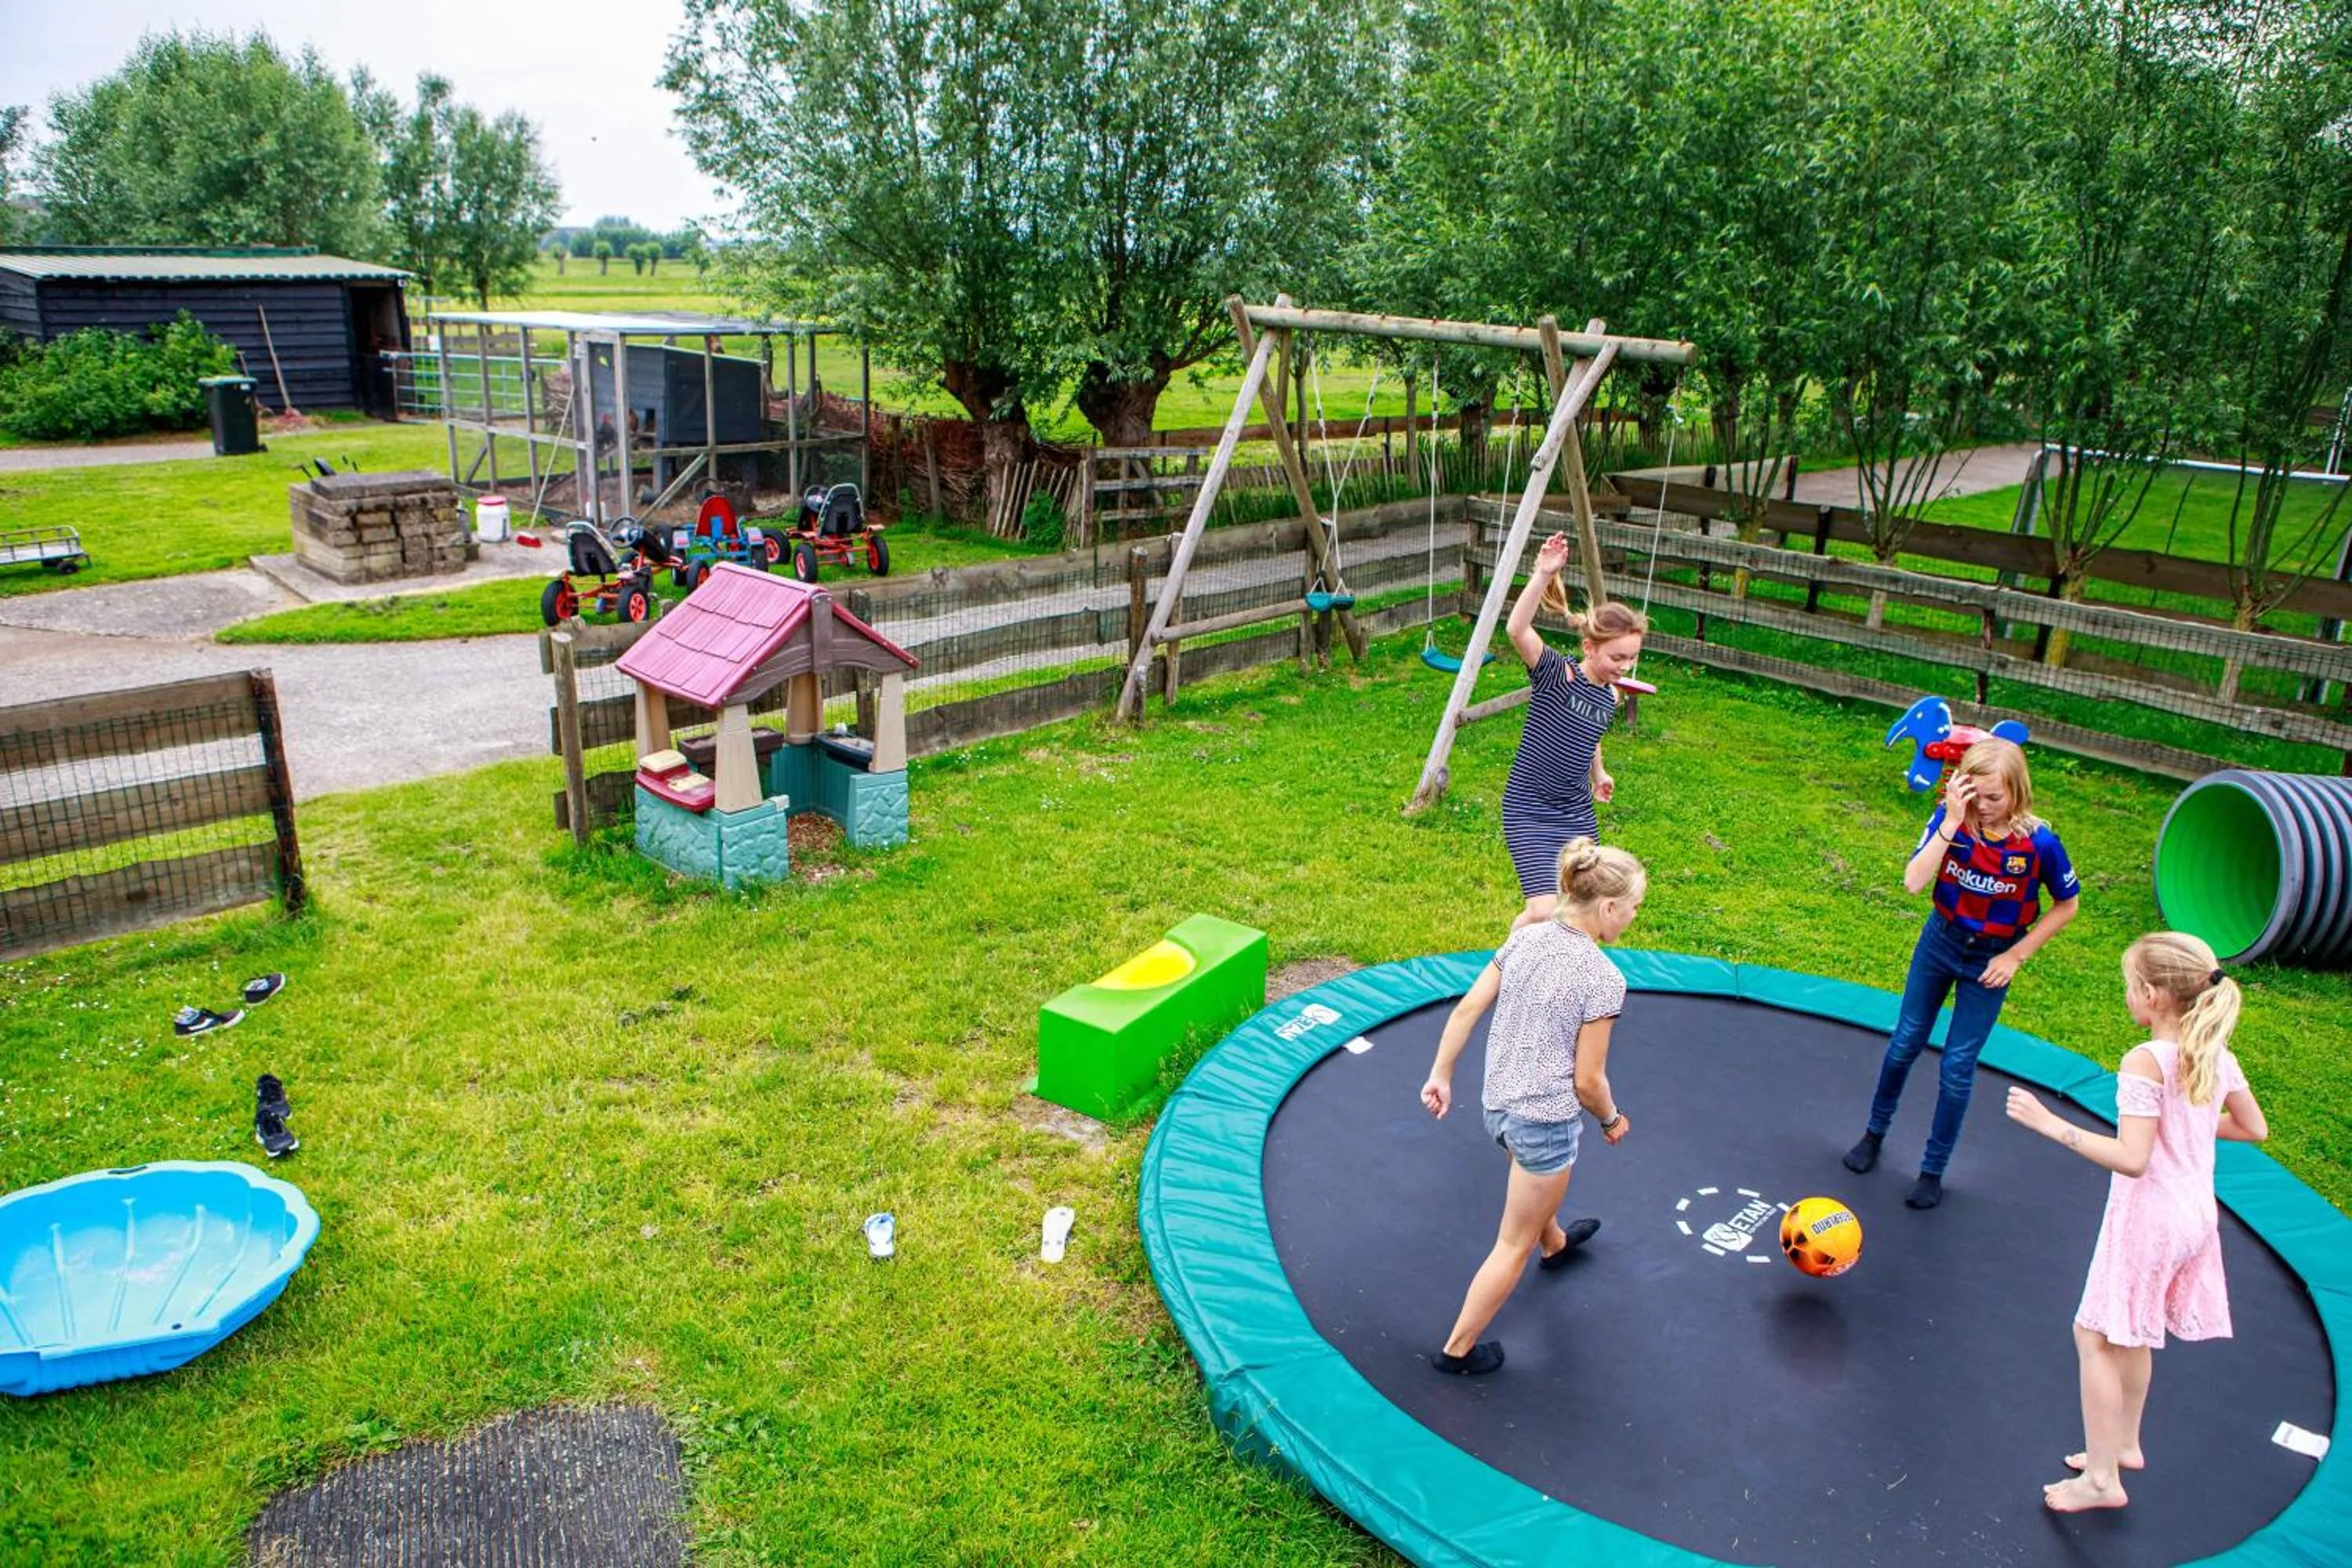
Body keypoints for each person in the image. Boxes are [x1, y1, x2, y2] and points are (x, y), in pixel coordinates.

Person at [2004, 931, 2267, 1514]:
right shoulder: (2214, 1052)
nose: (2127, 997)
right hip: (2196, 1215)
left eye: (2129, 988)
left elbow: (2132, 1157)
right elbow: (2254, 1128)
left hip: (2150, 1219)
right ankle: (2124, 1443)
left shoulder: (2145, 1060)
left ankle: (2101, 1479)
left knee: (2093, 1336)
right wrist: (2187, 1124)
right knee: (2136, 1329)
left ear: (2152, 995)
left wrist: (2050, 1125)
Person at [1418, 838, 1645, 1375]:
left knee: (1529, 1186)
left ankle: (1558, 1245)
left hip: (1497, 1106)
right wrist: (1613, 1119)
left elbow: (1469, 1008)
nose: (1635, 917)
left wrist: (1441, 1075)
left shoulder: (1525, 939)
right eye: (1634, 907)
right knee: (1510, 1243)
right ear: (1608, 907)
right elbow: (1589, 1082)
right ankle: (1458, 1350)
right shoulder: (1603, 978)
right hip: (1543, 1121)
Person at [1845, 737, 2080, 1208]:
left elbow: (2067, 905)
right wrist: (1952, 821)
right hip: (1941, 942)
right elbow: (1913, 882)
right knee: (1905, 1041)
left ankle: (1932, 1169)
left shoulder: (2038, 843)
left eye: (1997, 798)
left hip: (1990, 959)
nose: (1987, 808)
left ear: (2017, 793)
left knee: (1957, 1067)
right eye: (1978, 797)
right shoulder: (1952, 826)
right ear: (1961, 789)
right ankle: (1874, 1133)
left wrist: (2016, 956)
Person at [1500, 534, 1646, 930]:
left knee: (1583, 908)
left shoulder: (1610, 696)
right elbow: (1517, 628)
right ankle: (1510, 969)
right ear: (1589, 647)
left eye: (1631, 659)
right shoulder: (1556, 676)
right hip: (1529, 808)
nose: (1624, 667)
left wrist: (1599, 773)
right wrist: (1543, 573)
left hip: (1575, 812)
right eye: (1617, 657)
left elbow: (1590, 732)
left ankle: (1555, 971)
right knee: (1543, 911)